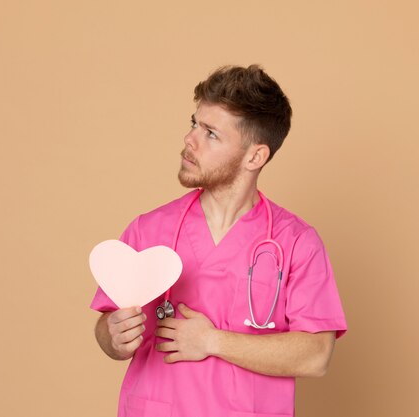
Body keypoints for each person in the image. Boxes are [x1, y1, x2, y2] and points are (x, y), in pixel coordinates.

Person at [91, 64, 347, 417]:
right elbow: (108, 330)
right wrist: (113, 335)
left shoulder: (296, 242)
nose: (189, 139)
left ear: (255, 156)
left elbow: (316, 355)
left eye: (211, 133)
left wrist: (211, 341)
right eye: (194, 124)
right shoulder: (149, 229)